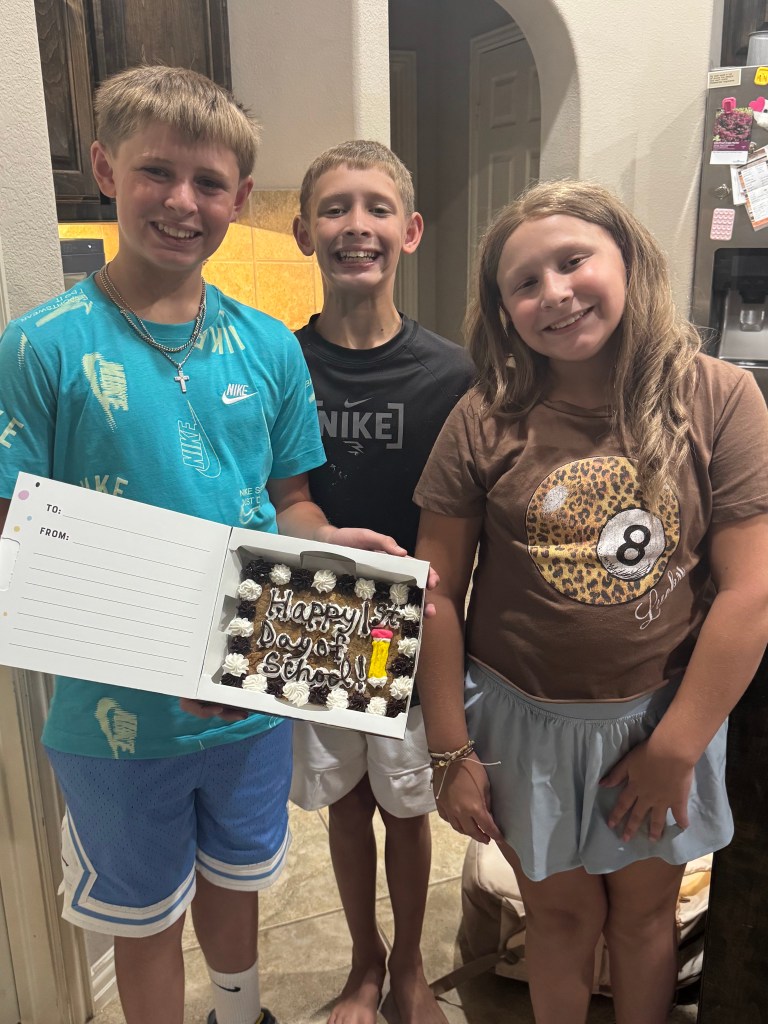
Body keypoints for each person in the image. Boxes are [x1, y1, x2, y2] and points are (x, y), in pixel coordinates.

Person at [0, 68, 405, 1024]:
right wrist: (156, 646)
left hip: (250, 693)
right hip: (113, 715)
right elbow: (22, 538)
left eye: (210, 183)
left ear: (239, 197)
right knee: (141, 914)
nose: (183, 202)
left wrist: (327, 548)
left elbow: (288, 501)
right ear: (107, 169)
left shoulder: (269, 346)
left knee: (238, 876)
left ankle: (238, 1010)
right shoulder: (39, 346)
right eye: (157, 172)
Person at [412, 180, 768, 1024]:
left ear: (630, 260)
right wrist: (450, 751)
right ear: (503, 312)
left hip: (659, 719)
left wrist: (676, 748)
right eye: (524, 283)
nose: (555, 293)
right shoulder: (482, 419)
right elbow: (435, 593)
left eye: (573, 262)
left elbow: (751, 590)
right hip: (519, 726)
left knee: (644, 918)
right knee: (560, 918)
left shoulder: (720, 398)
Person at [289, 140, 475, 1024]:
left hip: (413, 620)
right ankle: (363, 962)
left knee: (407, 806)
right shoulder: (279, 362)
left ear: (411, 230)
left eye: (376, 208)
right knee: (347, 799)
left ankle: (408, 967)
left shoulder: (455, 373)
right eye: (334, 208)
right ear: (304, 232)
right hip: (316, 614)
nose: (355, 225)